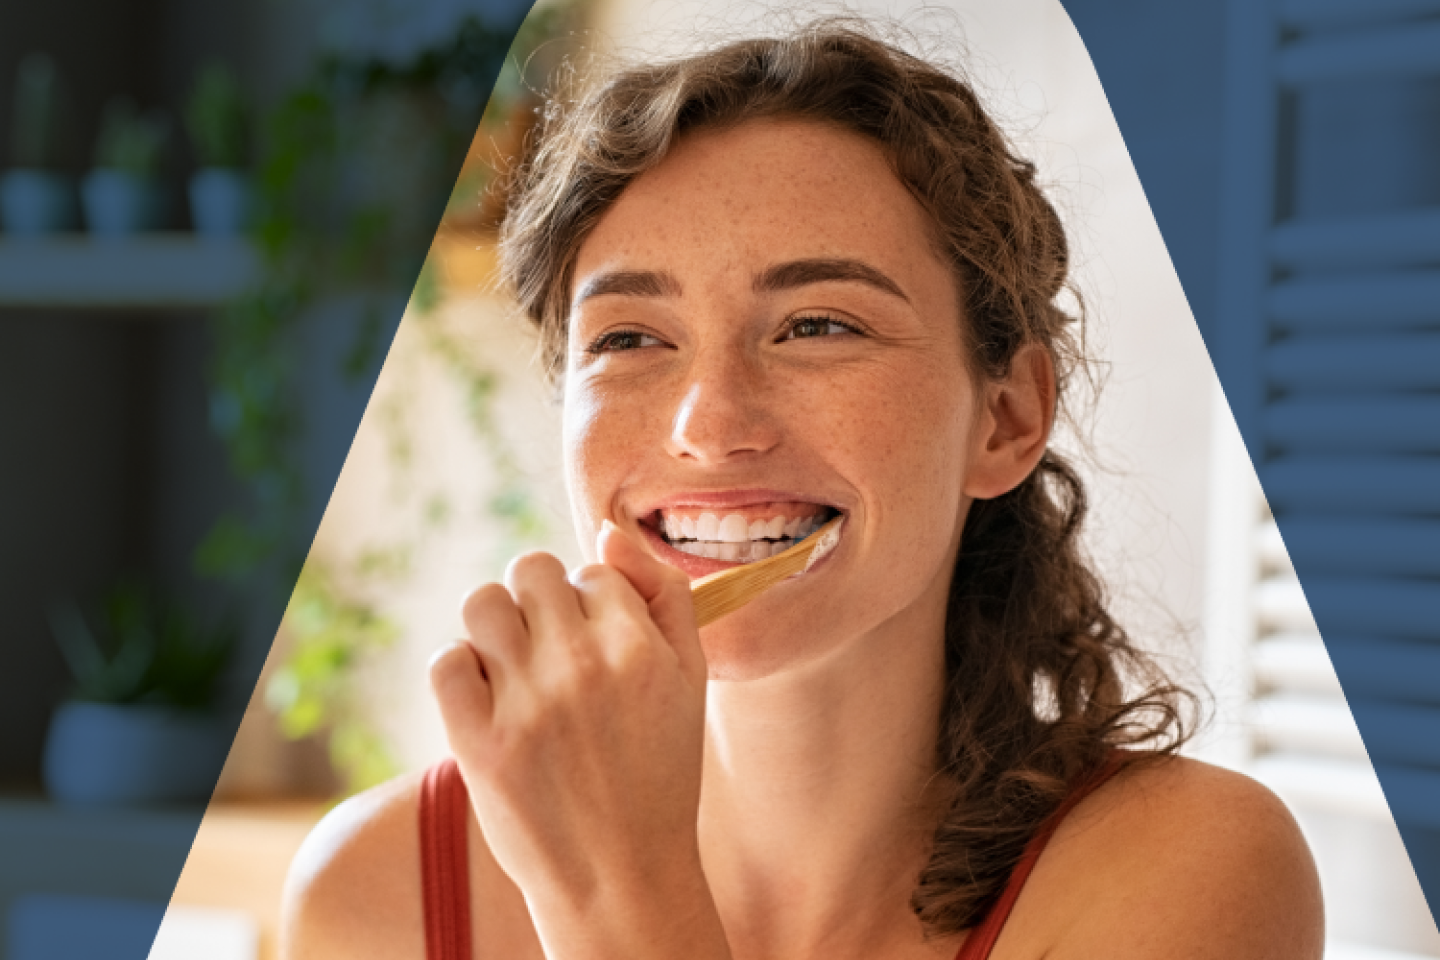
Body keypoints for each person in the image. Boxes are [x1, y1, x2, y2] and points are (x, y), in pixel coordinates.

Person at [281, 20, 1323, 960]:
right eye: (630, 338)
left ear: (1006, 418)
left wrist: (613, 890)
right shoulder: (377, 897)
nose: (708, 425)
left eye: (818, 326)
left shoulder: (1189, 875)